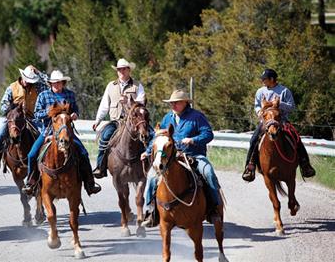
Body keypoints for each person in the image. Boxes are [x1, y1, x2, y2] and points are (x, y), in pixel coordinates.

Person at [141, 89, 222, 227]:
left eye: (177, 103)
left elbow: (208, 134)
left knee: (208, 173)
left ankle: (214, 209)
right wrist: (148, 151)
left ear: (185, 103)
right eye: (172, 103)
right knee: (151, 177)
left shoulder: (197, 117)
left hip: (193, 155)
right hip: (171, 157)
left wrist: (193, 140)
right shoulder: (168, 118)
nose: (173, 105)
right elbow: (159, 138)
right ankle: (151, 212)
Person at [22, 70, 101, 196]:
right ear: (50, 83)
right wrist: (48, 112)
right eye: (54, 83)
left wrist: (75, 114)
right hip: (47, 131)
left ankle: (89, 183)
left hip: (66, 131)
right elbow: (36, 114)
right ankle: (31, 182)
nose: (56, 85)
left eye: (59, 83)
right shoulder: (43, 95)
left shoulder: (70, 95)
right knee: (32, 155)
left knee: (84, 153)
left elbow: (75, 109)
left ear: (63, 83)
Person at [242, 69, 316, 181]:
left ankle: (305, 165)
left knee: (296, 139)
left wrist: (278, 104)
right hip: (265, 122)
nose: (262, 81)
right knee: (253, 140)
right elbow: (257, 105)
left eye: (264, 79)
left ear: (272, 79)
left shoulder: (284, 91)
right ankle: (250, 167)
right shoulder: (260, 91)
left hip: (282, 121)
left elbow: (292, 106)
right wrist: (259, 112)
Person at [0, 65, 48, 176]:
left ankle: (45, 161)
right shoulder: (12, 87)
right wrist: (13, 110)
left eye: (30, 80)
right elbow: (3, 104)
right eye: (27, 80)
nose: (28, 82)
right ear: (22, 77)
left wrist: (38, 72)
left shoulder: (37, 87)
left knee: (45, 135)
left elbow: (49, 84)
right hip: (15, 119)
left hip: (32, 118)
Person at [92, 58, 147, 179]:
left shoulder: (137, 86)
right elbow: (104, 105)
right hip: (116, 121)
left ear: (129, 70)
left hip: (134, 122)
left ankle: (148, 164)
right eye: (119, 69)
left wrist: (128, 102)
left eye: (124, 69)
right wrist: (98, 120)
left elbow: (142, 102)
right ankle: (100, 166)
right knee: (105, 137)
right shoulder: (111, 86)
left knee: (148, 136)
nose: (121, 71)